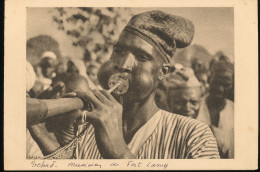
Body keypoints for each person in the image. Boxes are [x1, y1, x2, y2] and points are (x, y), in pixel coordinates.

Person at [31, 10, 220, 159]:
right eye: (119, 51)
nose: (123, 64)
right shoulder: (87, 129)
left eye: (142, 57)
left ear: (163, 72)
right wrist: (51, 145)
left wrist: (120, 154)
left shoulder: (195, 136)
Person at [197, 61, 234, 158]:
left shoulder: (237, 112)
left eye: (226, 85)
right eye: (216, 82)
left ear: (232, 86)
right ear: (209, 80)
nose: (220, 89)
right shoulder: (195, 107)